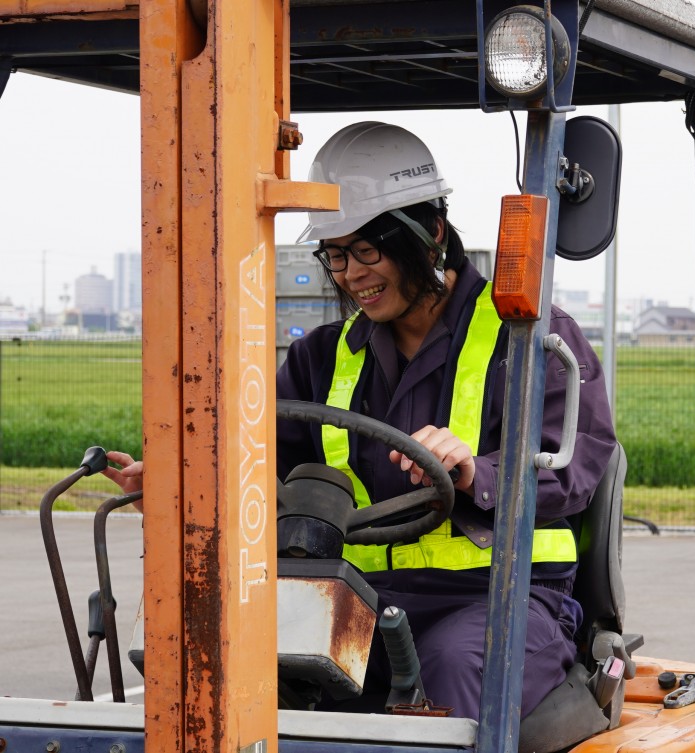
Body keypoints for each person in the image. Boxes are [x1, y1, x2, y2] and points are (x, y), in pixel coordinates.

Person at [105, 121, 618, 722]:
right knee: (229, 658)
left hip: (502, 598)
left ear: (430, 234)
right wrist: (179, 490)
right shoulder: (321, 357)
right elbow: (259, 467)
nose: (351, 274)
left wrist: (475, 470)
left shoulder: (531, 340)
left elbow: (578, 464)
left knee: (450, 665)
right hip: (356, 602)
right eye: (337, 255)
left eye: (368, 251)